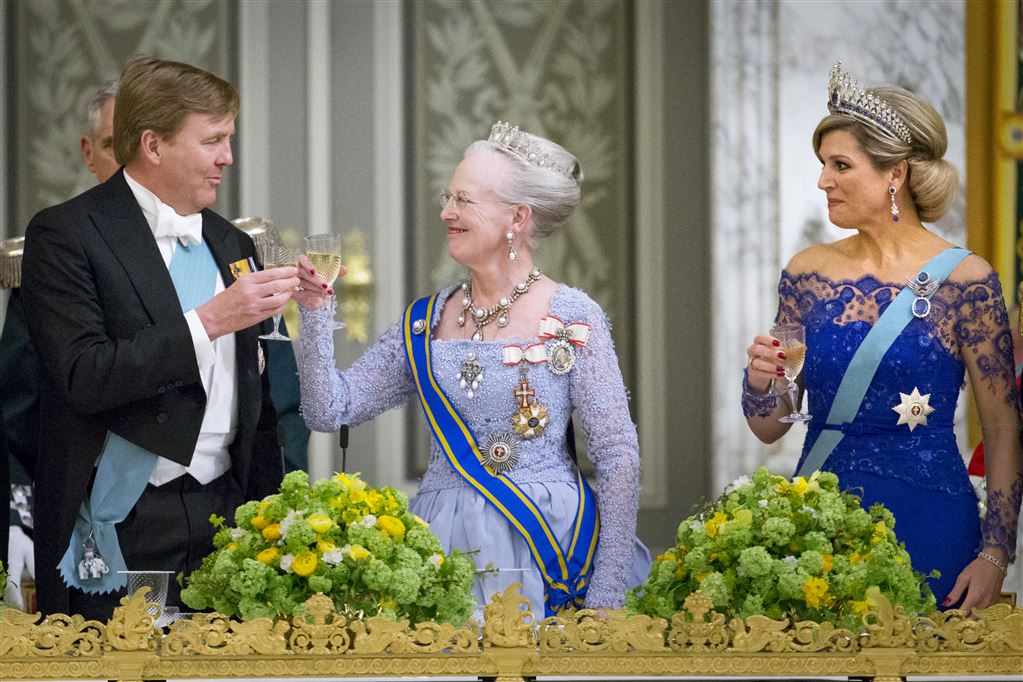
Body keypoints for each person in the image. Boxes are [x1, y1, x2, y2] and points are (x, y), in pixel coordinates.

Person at [295, 122, 650, 615]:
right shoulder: (424, 323)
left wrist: (607, 592)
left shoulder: (572, 315)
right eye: (448, 198)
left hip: (552, 545)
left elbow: (617, 453)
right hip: (445, 548)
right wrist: (314, 313)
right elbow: (328, 410)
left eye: (463, 200)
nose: (446, 212)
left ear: (517, 217)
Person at [20, 55, 298, 619]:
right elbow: (84, 375)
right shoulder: (66, 234)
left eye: (228, 139)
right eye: (212, 140)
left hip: (229, 520)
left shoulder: (232, 243)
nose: (228, 157)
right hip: (125, 519)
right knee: (125, 661)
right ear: (153, 144)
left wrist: (272, 515)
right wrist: (210, 320)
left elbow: (262, 399)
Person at [743, 62, 1023, 613]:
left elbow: (1003, 428)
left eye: (841, 165)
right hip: (818, 532)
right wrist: (759, 382)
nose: (823, 181)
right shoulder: (805, 273)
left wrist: (996, 554)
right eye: (823, 165)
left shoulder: (968, 281)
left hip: (931, 524)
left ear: (895, 173)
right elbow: (771, 426)